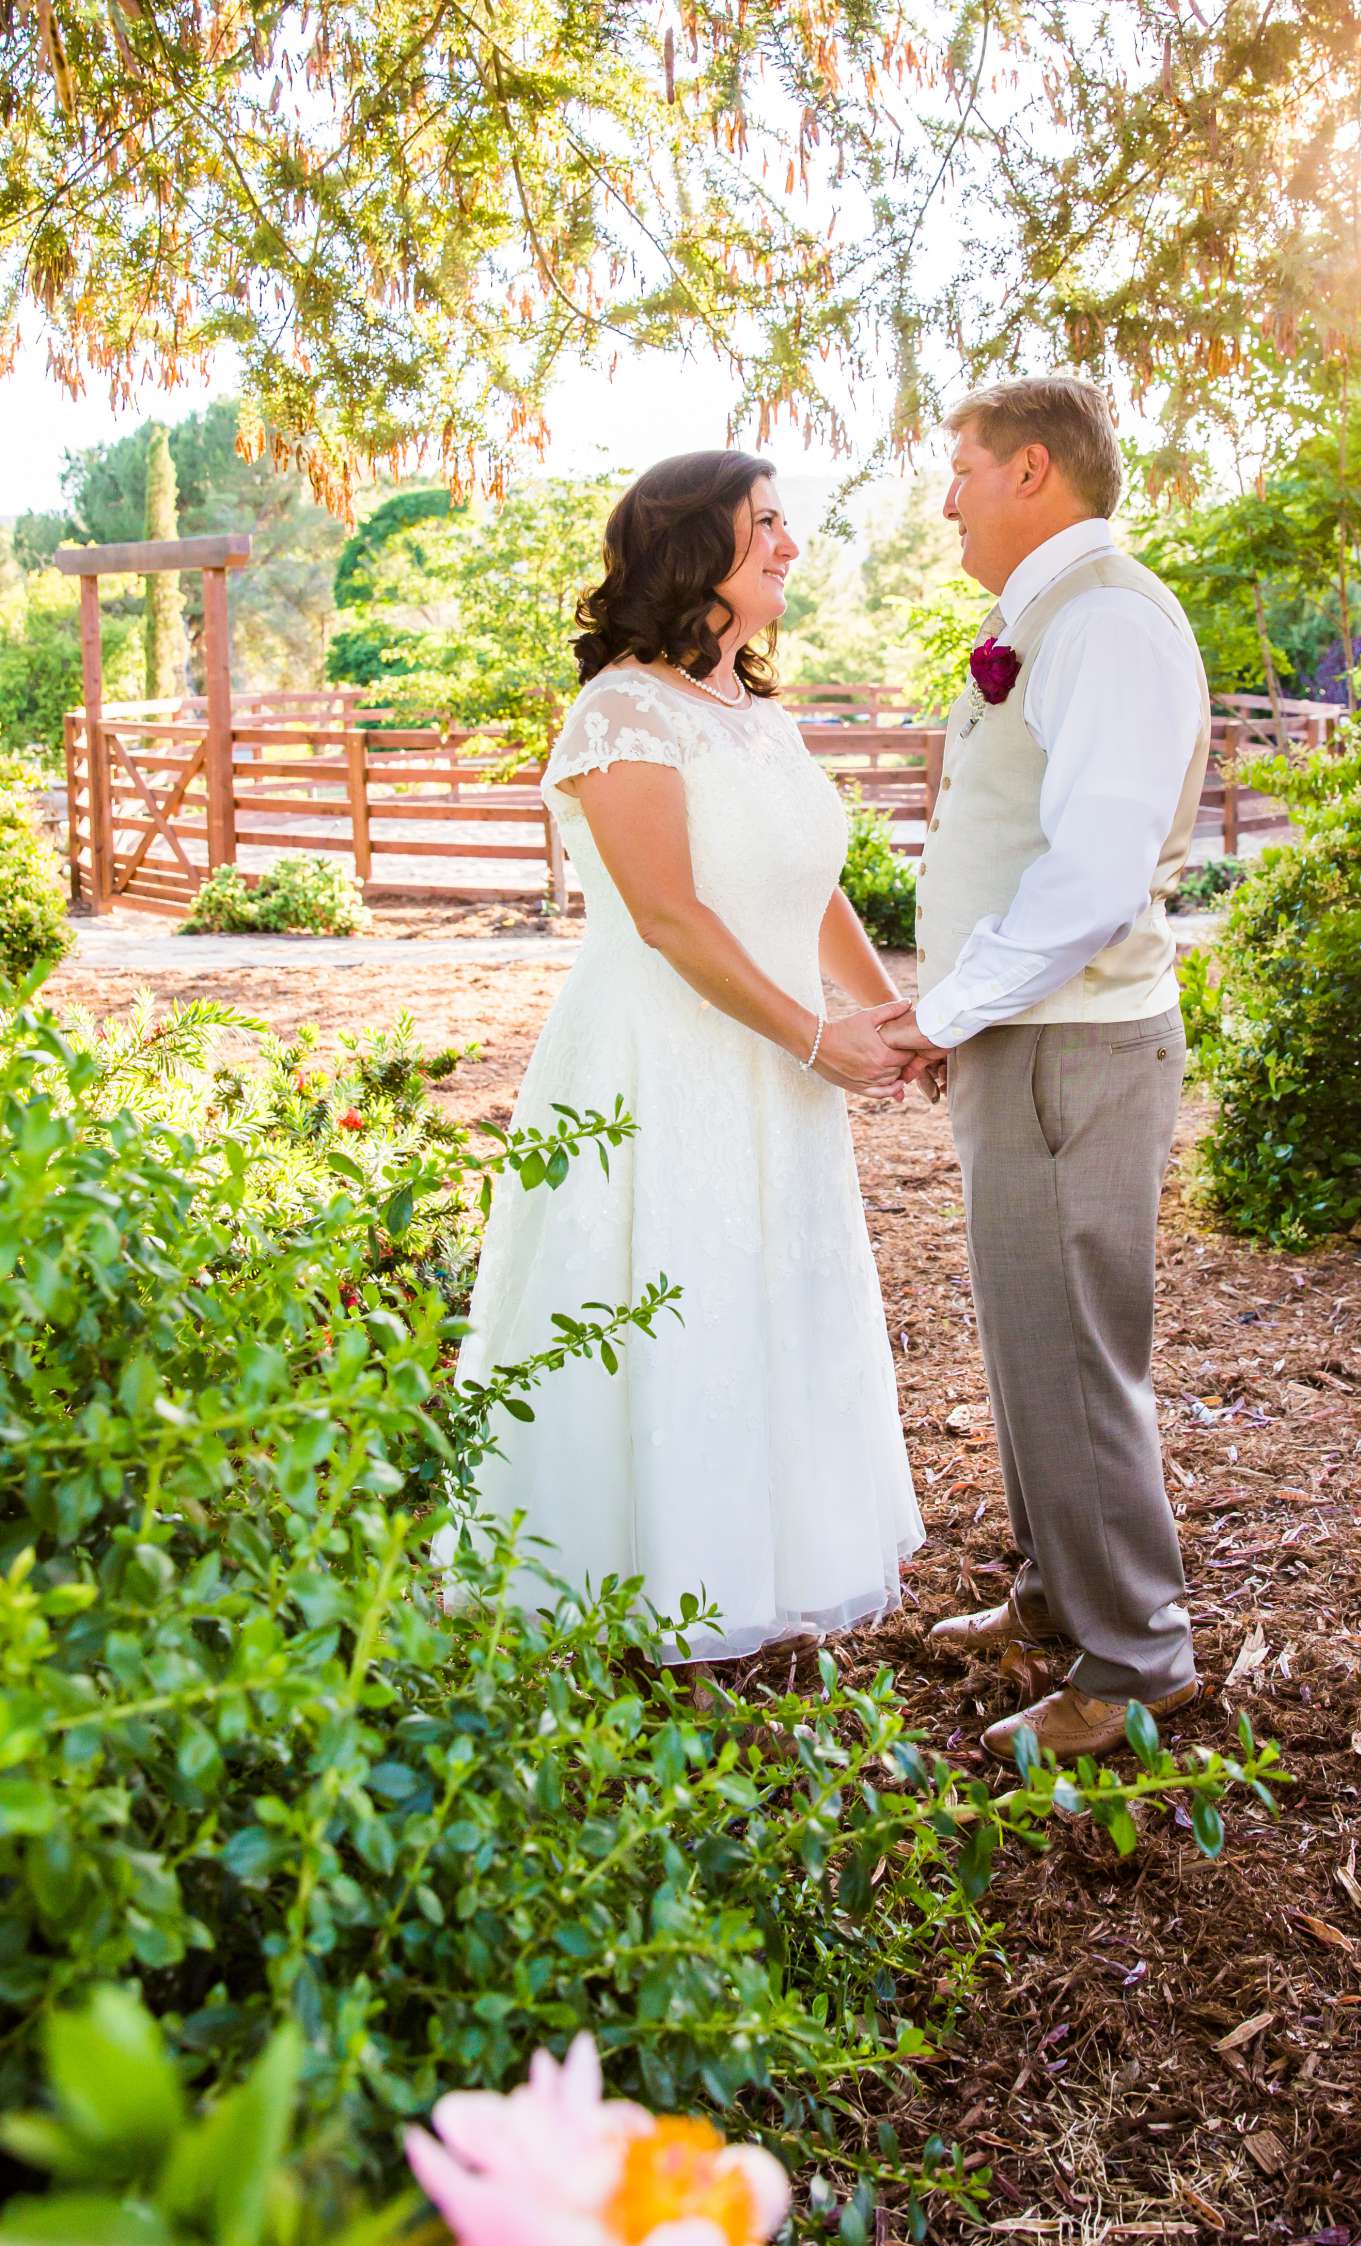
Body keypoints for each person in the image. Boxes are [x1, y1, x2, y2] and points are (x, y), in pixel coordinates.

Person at [444, 449, 924, 1661]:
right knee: (661, 1289)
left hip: (776, 1057)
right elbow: (667, 917)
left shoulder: (758, 717)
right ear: (691, 547)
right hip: (657, 1058)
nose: (789, 543)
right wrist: (819, 1035)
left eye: (784, 521)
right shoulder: (621, 710)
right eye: (764, 522)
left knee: (767, 1289)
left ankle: (761, 1560)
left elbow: (809, 891)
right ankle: (630, 1578)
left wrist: (897, 1017)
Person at [881, 374, 1209, 1764]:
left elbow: (1089, 879)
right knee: (1030, 1339)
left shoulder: (1113, 624)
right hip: (1032, 1047)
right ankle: (1056, 1594)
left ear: (1030, 470)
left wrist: (948, 1007)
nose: (943, 498)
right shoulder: (1052, 620)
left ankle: (1132, 1659)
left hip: (1074, 1052)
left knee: (1074, 1350)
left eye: (958, 470)